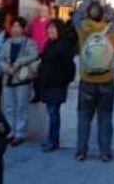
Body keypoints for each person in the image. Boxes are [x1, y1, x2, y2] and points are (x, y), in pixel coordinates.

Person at [73, 0, 114, 162]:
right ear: (103, 15)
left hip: (87, 80)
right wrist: (107, 7)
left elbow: (76, 16)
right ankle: (105, 152)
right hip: (106, 80)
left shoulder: (83, 29)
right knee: (105, 117)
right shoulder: (110, 30)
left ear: (88, 14)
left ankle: (81, 151)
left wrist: (88, 2)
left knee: (84, 117)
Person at [37, 18, 76, 152]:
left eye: (53, 28)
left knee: (53, 112)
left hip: (57, 84)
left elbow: (69, 66)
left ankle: (53, 141)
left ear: (59, 30)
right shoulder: (49, 44)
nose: (50, 31)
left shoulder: (64, 46)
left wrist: (67, 80)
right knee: (51, 112)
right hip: (47, 83)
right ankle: (52, 139)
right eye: (49, 28)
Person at [0, 16, 39, 146]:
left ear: (23, 29)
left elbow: (34, 55)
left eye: (18, 26)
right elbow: (1, 59)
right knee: (8, 107)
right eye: (13, 26)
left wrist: (19, 62)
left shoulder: (29, 42)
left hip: (22, 79)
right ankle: (10, 131)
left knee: (21, 107)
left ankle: (19, 133)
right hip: (7, 78)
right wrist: (6, 68)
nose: (15, 29)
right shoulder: (6, 42)